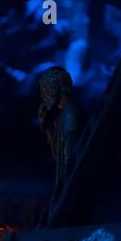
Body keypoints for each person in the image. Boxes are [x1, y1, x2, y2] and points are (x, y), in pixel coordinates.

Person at [38, 66, 84, 226]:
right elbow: (58, 157)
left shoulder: (71, 117)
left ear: (56, 88)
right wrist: (47, 128)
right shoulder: (64, 115)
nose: (42, 96)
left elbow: (68, 166)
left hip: (72, 195)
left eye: (45, 90)